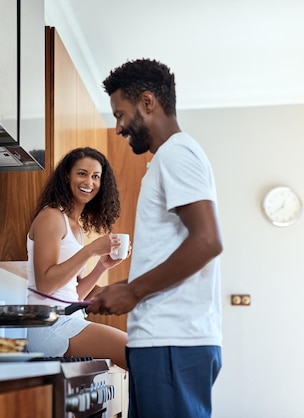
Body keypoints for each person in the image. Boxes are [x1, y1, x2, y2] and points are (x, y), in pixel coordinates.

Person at [87, 59, 224, 417]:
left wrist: (132, 292)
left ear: (147, 102)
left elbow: (208, 241)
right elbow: (174, 249)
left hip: (172, 343)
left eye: (120, 114)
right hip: (163, 344)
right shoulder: (167, 159)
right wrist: (121, 286)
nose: (118, 128)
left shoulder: (177, 154)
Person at [26, 147, 129, 369]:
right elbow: (45, 285)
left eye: (96, 177)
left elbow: (72, 296)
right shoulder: (51, 217)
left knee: (140, 357)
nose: (89, 182)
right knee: (135, 352)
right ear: (67, 176)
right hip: (48, 326)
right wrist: (91, 250)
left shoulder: (76, 228)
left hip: (67, 320)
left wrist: (101, 266)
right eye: (82, 173)